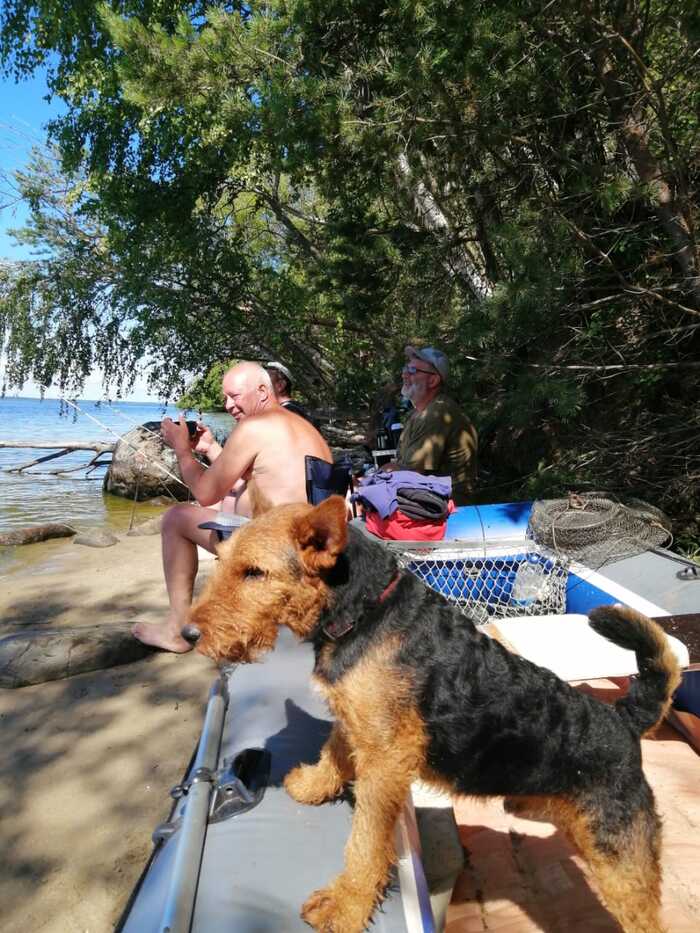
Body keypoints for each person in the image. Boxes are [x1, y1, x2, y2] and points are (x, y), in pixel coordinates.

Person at [132, 361, 332, 652]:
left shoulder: (255, 425)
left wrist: (182, 450)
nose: (227, 405)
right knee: (217, 514)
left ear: (263, 392)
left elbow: (204, 493)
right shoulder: (300, 425)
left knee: (176, 517)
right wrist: (211, 448)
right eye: (225, 398)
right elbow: (251, 474)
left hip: (275, 553)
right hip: (307, 548)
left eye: (234, 396)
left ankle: (176, 630)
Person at [382, 346, 478, 506]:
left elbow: (410, 475)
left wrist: (376, 476)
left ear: (433, 380)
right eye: (406, 368)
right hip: (425, 498)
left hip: (446, 507)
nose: (404, 374)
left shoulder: (437, 412)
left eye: (413, 370)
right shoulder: (418, 412)